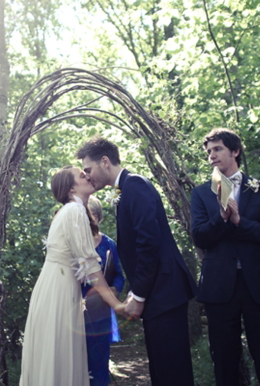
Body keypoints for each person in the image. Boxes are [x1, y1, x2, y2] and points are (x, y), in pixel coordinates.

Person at [77, 137, 197, 386]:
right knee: (162, 368)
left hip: (165, 292)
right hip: (158, 292)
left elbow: (148, 243)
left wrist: (139, 296)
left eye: (88, 170)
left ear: (105, 161)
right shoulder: (126, 189)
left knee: (172, 369)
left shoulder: (136, 185)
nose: (88, 177)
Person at [190, 128, 260, 386]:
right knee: (224, 360)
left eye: (218, 149)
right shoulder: (201, 193)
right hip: (219, 286)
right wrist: (221, 219)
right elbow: (199, 236)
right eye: (208, 151)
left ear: (235, 151)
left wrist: (240, 221)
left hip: (258, 284)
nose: (211, 155)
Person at [19, 166, 126, 386]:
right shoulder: (73, 211)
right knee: (59, 354)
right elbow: (90, 267)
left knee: (58, 356)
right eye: (81, 175)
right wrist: (117, 305)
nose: (87, 175)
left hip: (57, 287)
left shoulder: (73, 211)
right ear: (71, 188)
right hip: (58, 292)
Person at [82, 196, 125, 386]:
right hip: (76, 310)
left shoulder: (109, 244)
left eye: (92, 217)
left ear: (99, 218)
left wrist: (115, 289)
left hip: (100, 311)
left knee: (98, 359)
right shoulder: (74, 244)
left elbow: (118, 275)